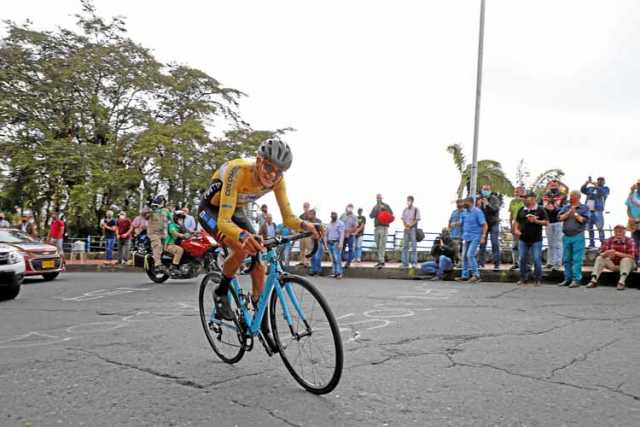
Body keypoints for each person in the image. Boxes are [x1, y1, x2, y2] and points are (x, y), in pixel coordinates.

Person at [197, 137, 320, 351]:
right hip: (212, 211)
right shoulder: (238, 171)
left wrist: (306, 225)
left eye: (279, 171)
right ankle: (221, 291)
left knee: (259, 261)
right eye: (269, 167)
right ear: (258, 160)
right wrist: (243, 237)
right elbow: (224, 222)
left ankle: (259, 315)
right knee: (242, 247)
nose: (272, 174)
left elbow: (289, 218)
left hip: (236, 209)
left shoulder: (278, 181)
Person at [513, 192, 549, 286]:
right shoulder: (522, 209)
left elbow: (546, 222)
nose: (524, 200)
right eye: (524, 198)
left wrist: (536, 221)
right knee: (522, 259)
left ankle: (538, 279)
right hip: (523, 238)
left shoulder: (540, 209)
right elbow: (517, 221)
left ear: (533, 199)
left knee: (537, 259)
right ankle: (523, 278)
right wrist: (516, 230)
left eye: (526, 198)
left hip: (536, 239)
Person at [587, 224, 636, 291]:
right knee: (600, 258)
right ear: (614, 232)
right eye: (617, 231)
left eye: (621, 231)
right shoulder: (608, 240)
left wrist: (616, 253)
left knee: (626, 260)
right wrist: (606, 253)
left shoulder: (630, 240)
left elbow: (632, 256)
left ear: (624, 232)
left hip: (627, 266)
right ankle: (593, 280)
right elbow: (601, 253)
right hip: (613, 264)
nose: (619, 233)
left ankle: (621, 282)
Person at [558, 191, 590, 288]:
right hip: (566, 236)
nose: (570, 197)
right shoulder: (566, 207)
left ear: (578, 197)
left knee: (577, 259)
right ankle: (567, 279)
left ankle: (576, 280)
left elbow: (583, 220)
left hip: (578, 236)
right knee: (566, 259)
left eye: (573, 196)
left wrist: (575, 213)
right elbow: (560, 218)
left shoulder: (584, 207)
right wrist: (569, 211)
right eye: (570, 196)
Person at [456, 196, 487, 283]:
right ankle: (464, 276)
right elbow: (461, 224)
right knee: (464, 256)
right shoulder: (464, 212)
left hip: (475, 237)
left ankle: (476, 275)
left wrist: (483, 236)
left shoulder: (478, 212)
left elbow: (484, 225)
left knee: (470, 255)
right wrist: (455, 224)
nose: (463, 204)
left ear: (470, 202)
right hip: (466, 237)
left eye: (465, 202)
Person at [542, 179, 567, 271]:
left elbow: (567, 189)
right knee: (550, 243)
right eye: (551, 185)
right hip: (548, 221)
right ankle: (550, 262)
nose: (553, 186)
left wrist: (561, 183)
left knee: (558, 242)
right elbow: (544, 205)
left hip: (558, 221)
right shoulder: (545, 195)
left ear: (558, 186)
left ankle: (557, 263)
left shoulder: (561, 195)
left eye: (555, 185)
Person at [477, 184, 503, 272]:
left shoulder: (494, 198)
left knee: (494, 243)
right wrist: (479, 206)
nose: (485, 191)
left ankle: (496, 265)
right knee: (482, 244)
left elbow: (495, 210)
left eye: (487, 189)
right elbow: (477, 213)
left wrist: (487, 204)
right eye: (484, 189)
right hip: (484, 224)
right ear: (481, 190)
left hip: (493, 223)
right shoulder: (479, 199)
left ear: (490, 190)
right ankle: (481, 264)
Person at [581, 176, 610, 248]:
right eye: (598, 180)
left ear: (604, 182)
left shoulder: (605, 188)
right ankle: (591, 243)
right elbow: (582, 190)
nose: (600, 181)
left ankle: (603, 243)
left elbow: (603, 193)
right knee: (589, 228)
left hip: (598, 211)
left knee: (600, 228)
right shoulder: (591, 188)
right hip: (588, 211)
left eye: (601, 180)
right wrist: (586, 183)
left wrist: (596, 186)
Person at [147, 196, 172, 271]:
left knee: (166, 249)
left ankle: (167, 264)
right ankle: (157, 265)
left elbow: (172, 218)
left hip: (164, 234)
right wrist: (150, 206)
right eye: (161, 201)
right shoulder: (152, 209)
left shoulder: (166, 210)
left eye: (163, 201)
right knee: (157, 246)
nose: (162, 202)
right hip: (154, 233)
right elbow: (144, 214)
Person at [369, 194, 393, 269]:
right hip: (377, 227)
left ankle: (381, 261)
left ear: (382, 198)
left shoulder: (386, 205)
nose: (378, 199)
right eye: (377, 198)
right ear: (376, 198)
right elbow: (371, 216)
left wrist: (384, 209)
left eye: (379, 198)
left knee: (382, 244)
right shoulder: (375, 206)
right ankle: (380, 260)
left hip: (384, 227)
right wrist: (374, 209)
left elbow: (391, 214)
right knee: (378, 245)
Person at [401, 196, 421, 268]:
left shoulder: (416, 209)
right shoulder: (405, 210)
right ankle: (404, 263)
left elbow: (417, 219)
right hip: (406, 229)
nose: (408, 201)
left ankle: (414, 263)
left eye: (409, 200)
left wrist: (410, 226)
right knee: (405, 246)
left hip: (413, 229)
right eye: (407, 200)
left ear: (412, 201)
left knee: (414, 246)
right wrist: (405, 226)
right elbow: (403, 219)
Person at [508, 187, 525, 270]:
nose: (516, 194)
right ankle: (515, 263)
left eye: (518, 192)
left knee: (524, 244)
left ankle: (525, 264)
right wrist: (511, 225)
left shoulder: (525, 202)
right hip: (515, 224)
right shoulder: (512, 202)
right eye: (515, 192)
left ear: (522, 192)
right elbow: (511, 214)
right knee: (515, 245)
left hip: (524, 225)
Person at [325, 212, 345, 279]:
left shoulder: (340, 223)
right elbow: (326, 234)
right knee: (333, 259)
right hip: (329, 243)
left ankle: (339, 273)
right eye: (332, 215)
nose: (333, 216)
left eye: (335, 215)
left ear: (336, 216)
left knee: (337, 259)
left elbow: (342, 234)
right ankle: (335, 272)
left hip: (336, 243)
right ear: (330, 216)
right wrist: (325, 244)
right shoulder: (329, 224)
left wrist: (341, 243)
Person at [625, 179, 640, 262]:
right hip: (633, 223)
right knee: (634, 243)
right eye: (638, 184)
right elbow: (628, 208)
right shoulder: (632, 195)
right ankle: (635, 261)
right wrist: (631, 218)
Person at [340, 204, 358, 268]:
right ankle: (340, 260)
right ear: (346, 208)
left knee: (351, 249)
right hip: (342, 235)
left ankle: (348, 262)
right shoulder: (342, 215)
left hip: (350, 235)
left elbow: (355, 227)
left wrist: (349, 232)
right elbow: (339, 224)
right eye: (348, 207)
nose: (349, 209)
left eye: (351, 208)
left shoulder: (354, 217)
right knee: (341, 248)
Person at [307, 209, 324, 276]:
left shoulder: (318, 221)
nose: (309, 215)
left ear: (314, 214)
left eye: (310, 214)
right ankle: (313, 270)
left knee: (318, 256)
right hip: (311, 240)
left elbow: (322, 231)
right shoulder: (308, 222)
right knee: (312, 256)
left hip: (318, 240)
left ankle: (318, 270)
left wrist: (320, 238)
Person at [448, 199, 465, 264]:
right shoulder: (454, 212)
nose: (458, 205)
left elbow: (462, 222)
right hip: (453, 234)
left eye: (460, 203)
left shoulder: (465, 212)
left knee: (459, 250)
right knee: (453, 249)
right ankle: (454, 262)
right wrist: (449, 230)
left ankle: (459, 262)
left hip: (461, 235)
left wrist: (454, 224)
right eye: (457, 203)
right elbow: (449, 221)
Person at [298, 202, 312, 267]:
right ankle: (302, 261)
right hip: (302, 234)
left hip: (308, 235)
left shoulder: (311, 215)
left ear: (309, 207)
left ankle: (307, 262)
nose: (305, 207)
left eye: (306, 206)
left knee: (309, 249)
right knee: (302, 249)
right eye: (304, 206)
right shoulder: (301, 216)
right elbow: (298, 225)